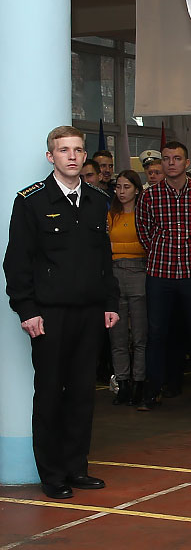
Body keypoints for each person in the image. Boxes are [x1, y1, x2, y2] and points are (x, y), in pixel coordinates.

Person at [5, 127, 118, 499]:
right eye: (64, 150)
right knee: (51, 392)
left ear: (85, 156)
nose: (72, 156)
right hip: (49, 314)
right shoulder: (31, 201)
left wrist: (110, 302)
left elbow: (103, 259)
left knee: (83, 393)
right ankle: (52, 474)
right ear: (50, 156)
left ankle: (76, 467)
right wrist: (26, 310)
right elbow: (17, 262)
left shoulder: (98, 200)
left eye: (78, 150)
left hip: (89, 312)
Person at [135, 141, 191, 410]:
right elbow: (143, 231)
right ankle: (152, 392)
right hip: (160, 273)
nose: (171, 163)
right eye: (167, 158)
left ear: (186, 163)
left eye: (177, 158)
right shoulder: (149, 196)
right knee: (156, 333)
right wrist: (159, 250)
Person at [106, 169, 147, 406]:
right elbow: (105, 245)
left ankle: (139, 381)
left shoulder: (143, 215)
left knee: (140, 334)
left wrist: (117, 246)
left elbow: (144, 245)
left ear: (137, 190)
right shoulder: (112, 214)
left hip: (139, 272)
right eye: (118, 187)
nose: (121, 192)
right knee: (117, 335)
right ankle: (122, 383)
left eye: (126, 187)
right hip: (114, 274)